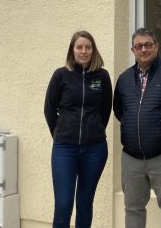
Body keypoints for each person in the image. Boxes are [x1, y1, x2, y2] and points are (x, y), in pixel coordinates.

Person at [113, 27, 161, 228]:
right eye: (139, 46)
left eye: (148, 45)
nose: (144, 50)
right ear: (133, 50)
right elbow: (120, 111)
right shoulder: (124, 79)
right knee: (133, 209)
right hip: (131, 158)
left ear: (156, 46)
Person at [44, 31, 112, 228]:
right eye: (79, 47)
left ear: (93, 50)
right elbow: (49, 109)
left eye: (88, 47)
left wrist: (95, 130)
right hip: (65, 149)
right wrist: (60, 133)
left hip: (95, 149)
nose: (84, 51)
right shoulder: (61, 75)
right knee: (63, 204)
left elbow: (105, 109)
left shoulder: (102, 76)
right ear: (72, 51)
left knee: (84, 203)